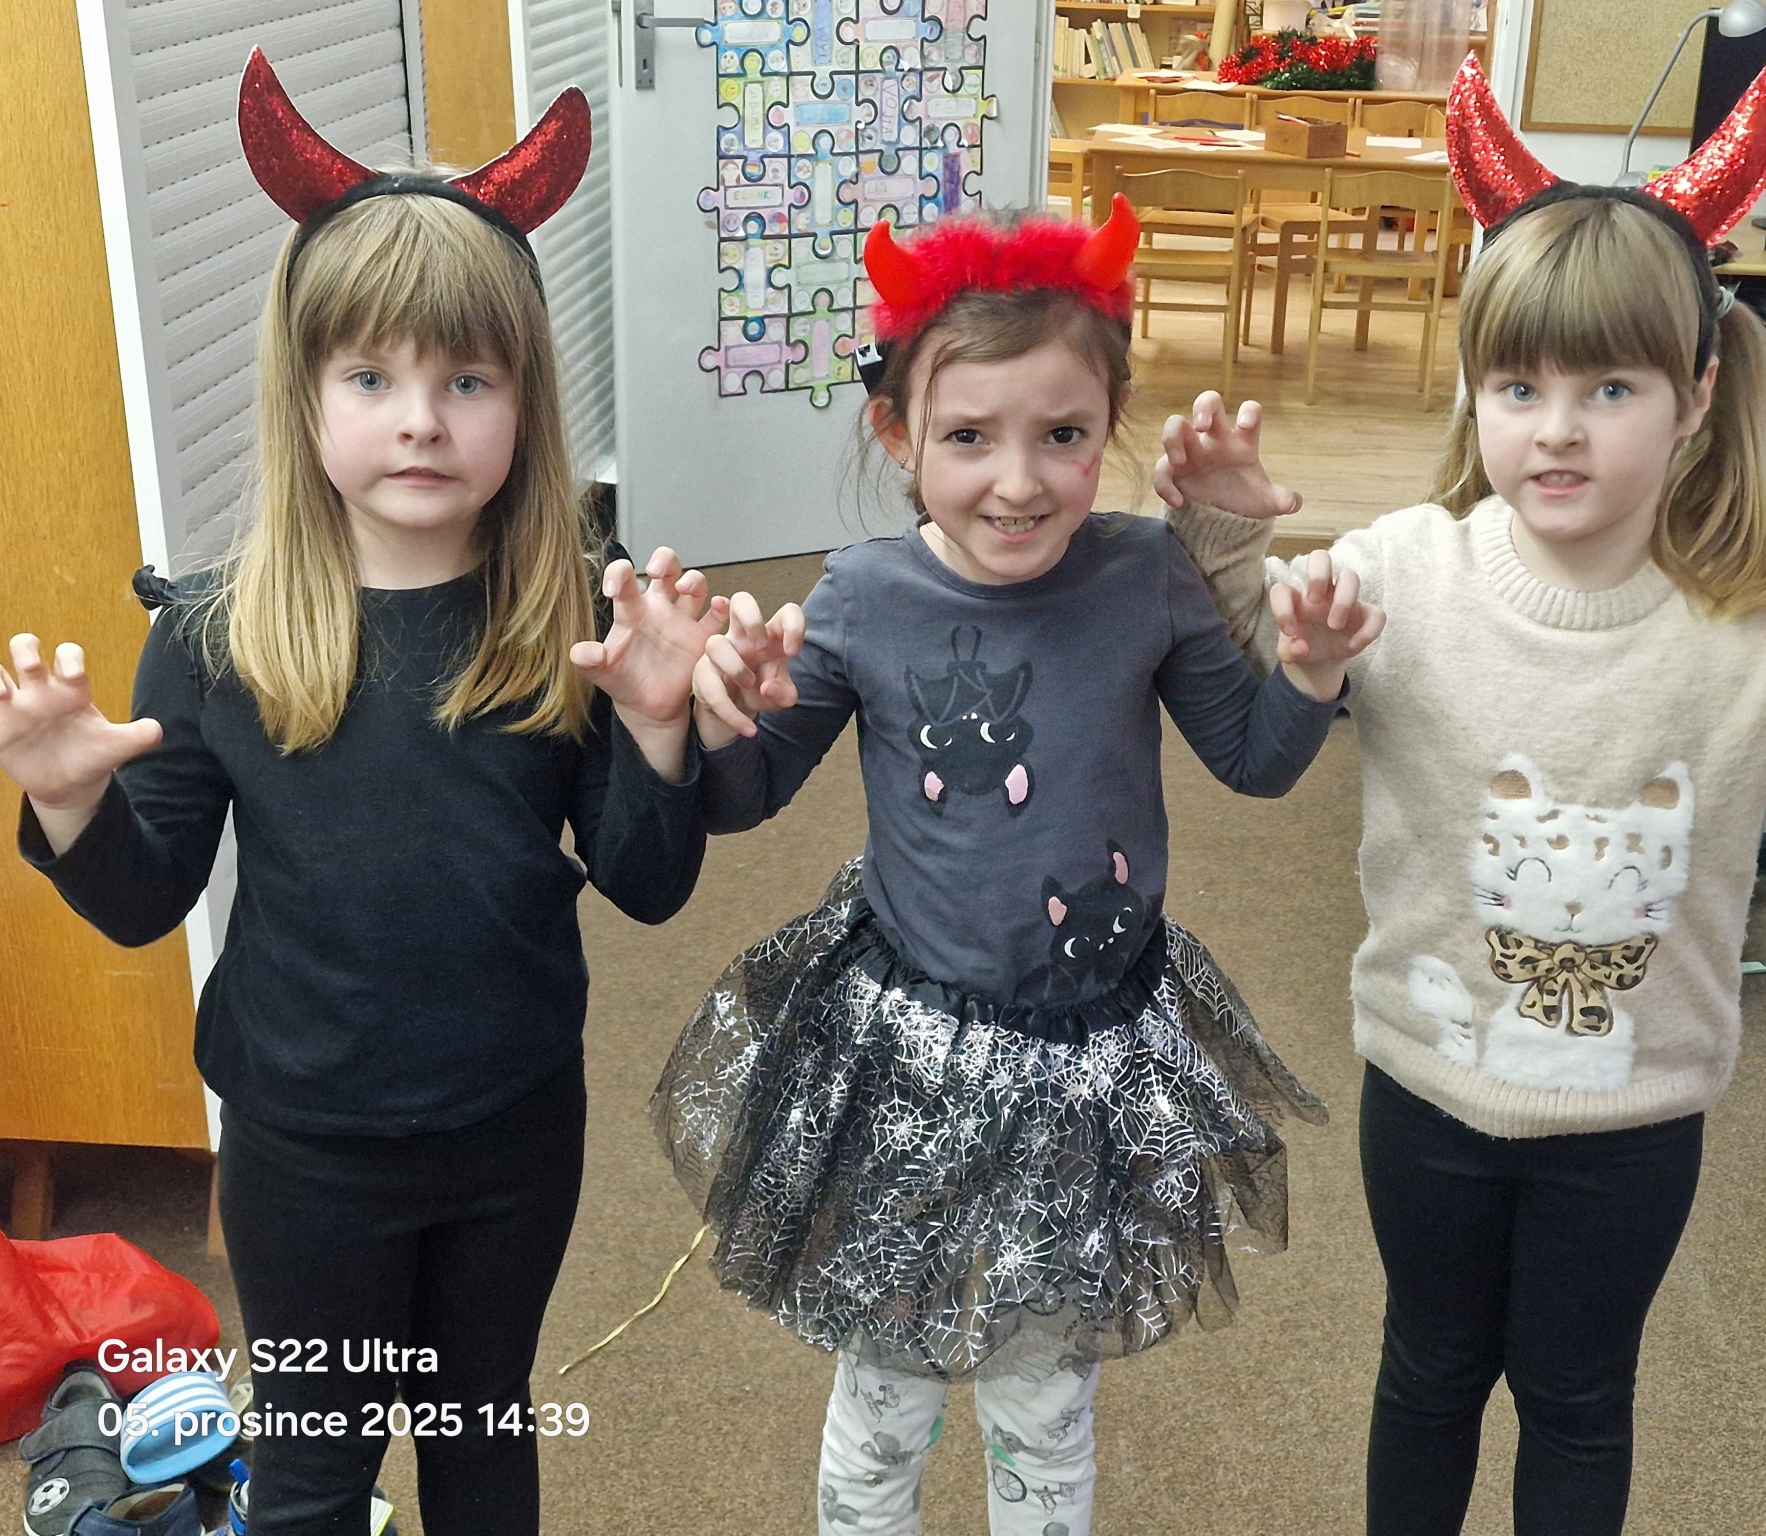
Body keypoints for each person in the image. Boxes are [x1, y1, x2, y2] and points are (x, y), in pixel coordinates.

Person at [1154, 58, 1766, 1536]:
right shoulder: (1404, 567)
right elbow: (1261, 693)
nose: (1556, 429)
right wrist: (1221, 543)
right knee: (1428, 1372)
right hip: (1428, 1086)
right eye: (1519, 388)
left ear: (1697, 396)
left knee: (1577, 1397)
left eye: (1609, 389)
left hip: (1636, 1115)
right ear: (1477, 390)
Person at [2, 54, 721, 1536]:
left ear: (523, 399)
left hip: (513, 1126)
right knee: (318, 1466)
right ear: (308, 395)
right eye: (372, 379)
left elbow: (649, 883)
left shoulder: (570, 614)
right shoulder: (216, 633)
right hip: (304, 1145)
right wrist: (73, 808)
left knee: (480, 1431)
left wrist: (657, 726)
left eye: (468, 380)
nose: (421, 421)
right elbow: (143, 901)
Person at [649, 199, 1377, 1536]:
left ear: (1111, 423)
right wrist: (720, 714)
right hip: (911, 1055)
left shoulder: (1147, 574)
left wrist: (1313, 670)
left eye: (1063, 435)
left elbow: (1255, 762)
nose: (1020, 482)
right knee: (887, 1391)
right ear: (898, 436)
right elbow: (743, 802)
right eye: (969, 437)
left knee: (1045, 1404)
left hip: (1091, 1053)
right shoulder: (862, 596)